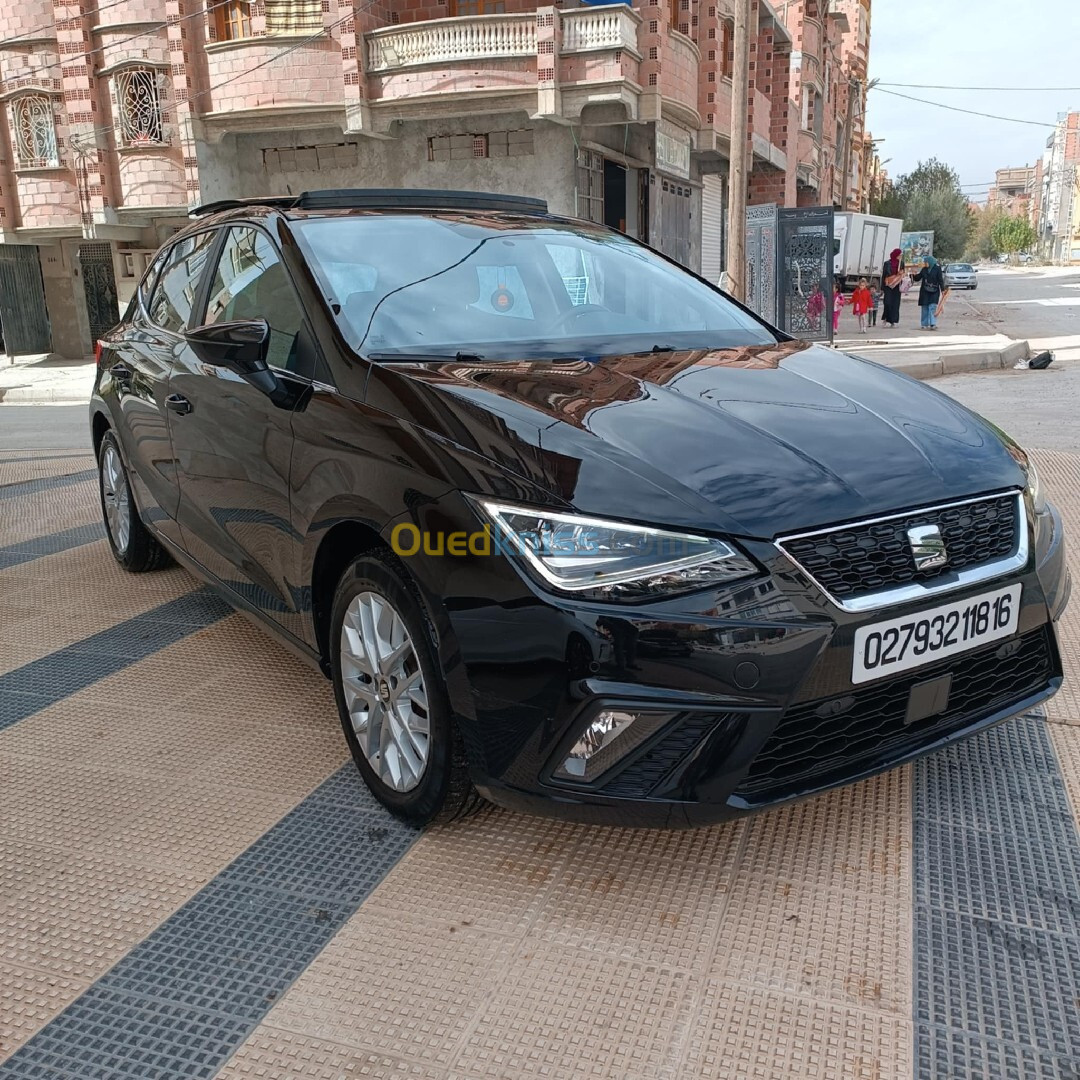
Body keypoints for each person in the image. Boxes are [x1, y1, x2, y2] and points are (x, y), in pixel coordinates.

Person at [911, 255, 945, 331]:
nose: (925, 263)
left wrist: (943, 290)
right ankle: (924, 324)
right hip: (925, 291)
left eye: (926, 262)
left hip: (934, 291)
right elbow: (918, 278)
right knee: (925, 307)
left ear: (930, 262)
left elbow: (940, 280)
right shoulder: (924, 269)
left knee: (932, 307)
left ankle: (933, 323)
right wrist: (913, 274)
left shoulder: (937, 269)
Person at [881, 247, 904, 326]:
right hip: (888, 285)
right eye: (899, 255)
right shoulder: (887, 263)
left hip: (897, 286)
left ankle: (892, 321)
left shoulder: (901, 263)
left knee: (895, 303)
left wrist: (901, 274)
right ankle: (886, 317)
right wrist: (882, 287)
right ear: (896, 255)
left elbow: (903, 274)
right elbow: (884, 275)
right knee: (887, 302)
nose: (900, 256)